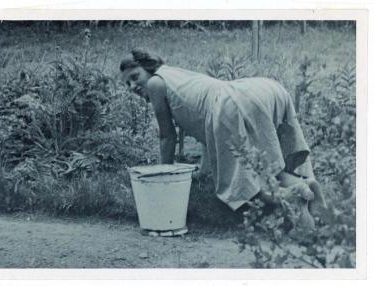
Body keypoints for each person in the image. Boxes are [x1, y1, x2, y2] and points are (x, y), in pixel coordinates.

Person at [120, 48, 327, 228]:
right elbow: (204, 126)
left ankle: (290, 196)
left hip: (231, 104)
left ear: (147, 68)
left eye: (135, 77)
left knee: (247, 186)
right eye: (127, 84)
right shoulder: (175, 75)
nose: (132, 87)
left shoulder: (156, 83)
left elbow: (167, 136)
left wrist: (162, 177)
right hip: (261, 89)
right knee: (269, 169)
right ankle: (307, 184)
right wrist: (203, 170)